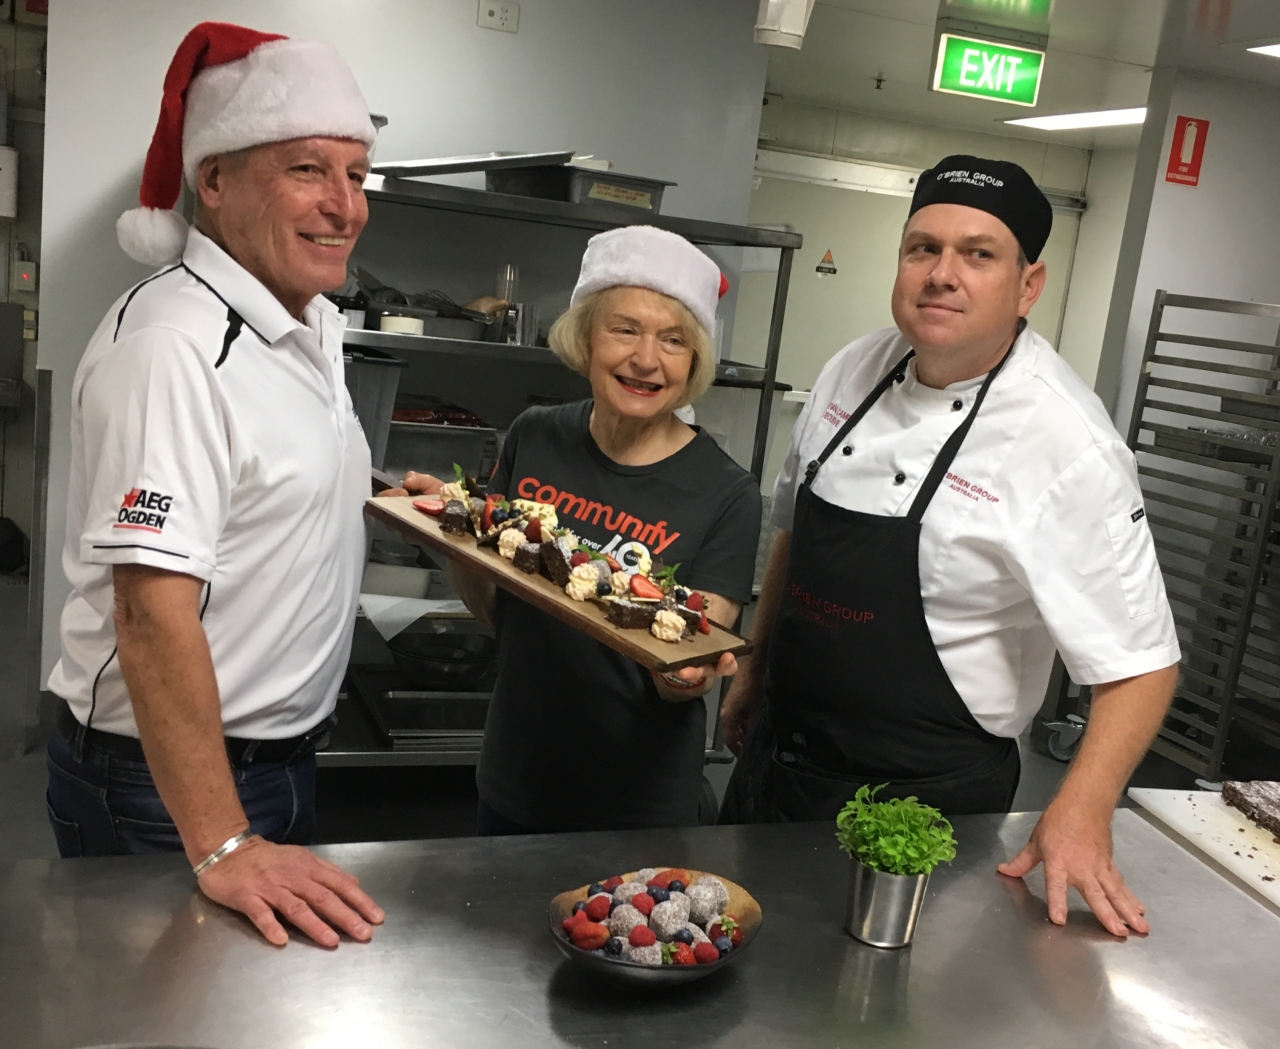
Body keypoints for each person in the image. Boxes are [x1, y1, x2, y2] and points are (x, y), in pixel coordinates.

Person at [719, 155, 1180, 938]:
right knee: (733, 961)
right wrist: (758, 665)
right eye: (923, 248)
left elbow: (1141, 662)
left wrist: (1082, 807)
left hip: (924, 808)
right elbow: (795, 526)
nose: (942, 273)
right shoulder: (852, 368)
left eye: (978, 253)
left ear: (1028, 286)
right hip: (778, 762)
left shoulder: (1068, 445)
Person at [45, 22, 385, 948]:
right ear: (215, 180)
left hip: (274, 765)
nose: (345, 205)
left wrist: (394, 496)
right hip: (166, 788)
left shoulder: (311, 325)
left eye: (357, 174)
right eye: (308, 169)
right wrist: (225, 838)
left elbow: (272, 485)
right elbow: (150, 610)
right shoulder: (174, 346)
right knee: (157, 1013)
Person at [385, 225, 761, 833]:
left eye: (673, 340)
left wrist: (683, 676)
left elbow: (686, 670)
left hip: (637, 810)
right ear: (586, 338)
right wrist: (455, 534)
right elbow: (499, 613)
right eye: (625, 329)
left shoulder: (727, 494)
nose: (646, 359)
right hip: (514, 782)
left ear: (694, 360)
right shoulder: (535, 435)